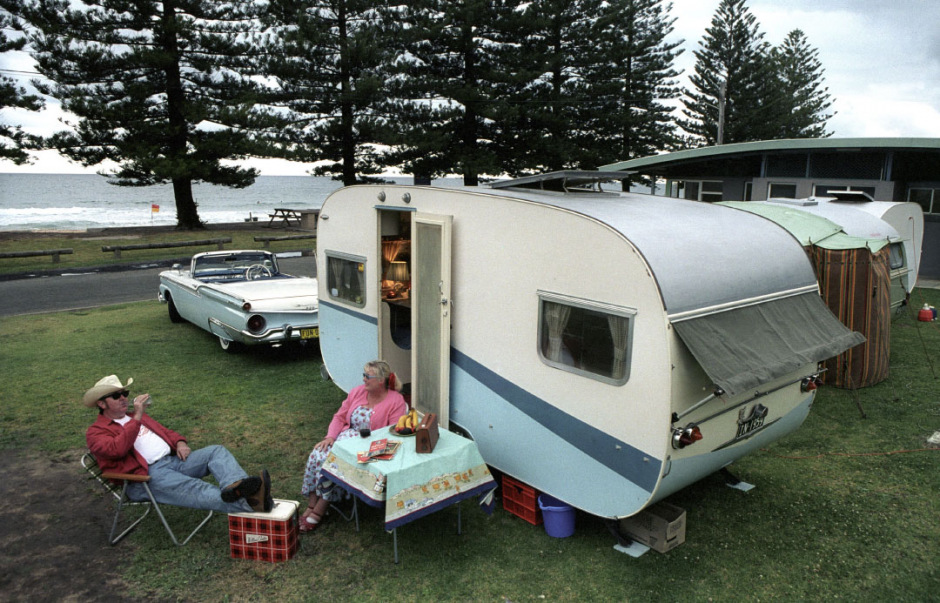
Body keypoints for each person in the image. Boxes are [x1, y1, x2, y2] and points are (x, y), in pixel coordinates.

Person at [84, 374, 273, 514]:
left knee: (216, 452)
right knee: (199, 489)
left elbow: (166, 432)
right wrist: (139, 416)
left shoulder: (133, 417)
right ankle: (252, 503)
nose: (124, 398)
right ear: (101, 404)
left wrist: (180, 443)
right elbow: (118, 449)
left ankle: (235, 487)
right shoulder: (96, 432)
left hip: (174, 461)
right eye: (116, 396)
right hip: (146, 476)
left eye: (124, 393)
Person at [300, 360, 407, 532]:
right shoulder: (357, 392)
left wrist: (371, 450)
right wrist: (330, 437)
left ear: (381, 381)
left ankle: (320, 508)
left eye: (367, 376)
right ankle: (312, 503)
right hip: (345, 438)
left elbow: (392, 432)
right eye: (363, 375)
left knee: (334, 462)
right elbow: (340, 417)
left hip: (370, 446)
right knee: (317, 454)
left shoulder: (396, 401)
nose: (363, 379)